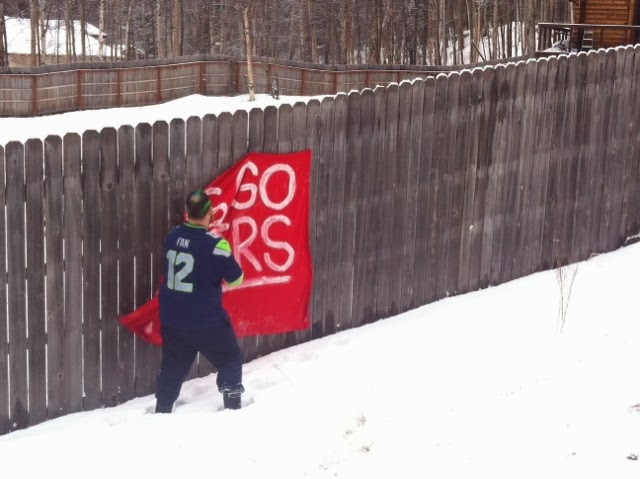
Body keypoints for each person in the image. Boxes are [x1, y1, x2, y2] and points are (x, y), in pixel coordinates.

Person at [155, 189, 245, 413]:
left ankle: (162, 409)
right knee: (230, 358)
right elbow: (236, 279)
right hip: (206, 321)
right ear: (210, 213)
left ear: (188, 213)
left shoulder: (172, 236)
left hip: (173, 318)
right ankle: (233, 406)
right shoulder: (215, 245)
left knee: (173, 365)